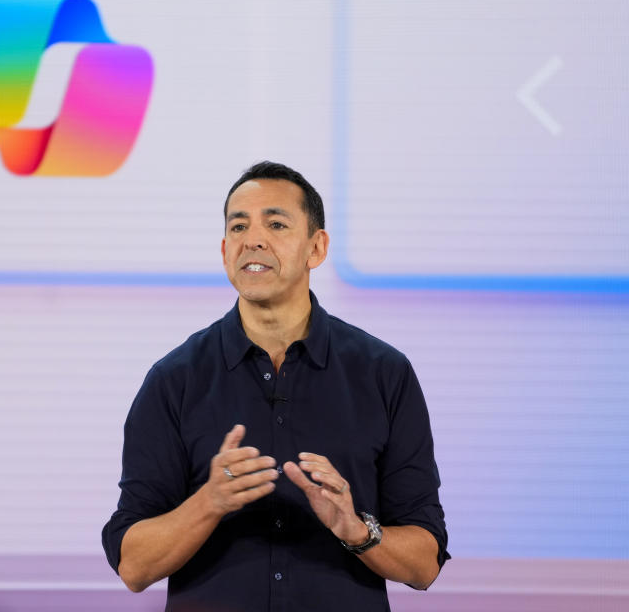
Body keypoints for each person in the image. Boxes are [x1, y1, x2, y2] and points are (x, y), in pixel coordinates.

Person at [102, 161, 449, 611]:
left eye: (277, 223)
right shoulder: (175, 379)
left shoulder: (384, 373)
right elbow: (133, 566)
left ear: (317, 247)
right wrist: (208, 503)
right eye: (239, 225)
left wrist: (356, 530)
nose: (254, 239)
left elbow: (425, 565)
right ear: (225, 249)